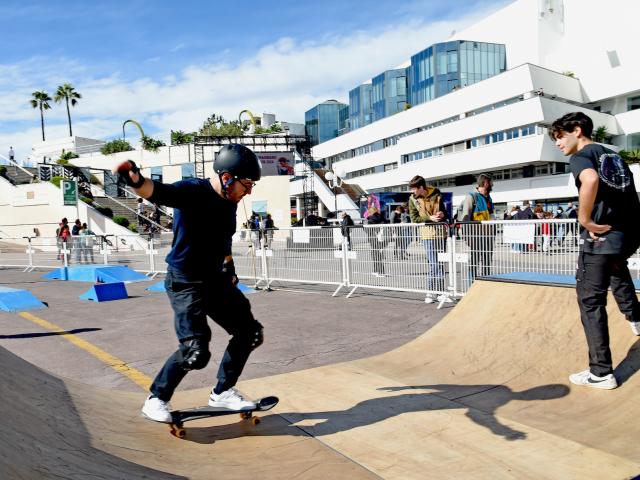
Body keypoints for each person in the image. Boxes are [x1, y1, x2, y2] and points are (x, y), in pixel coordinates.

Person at [113, 143, 265, 422]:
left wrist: (229, 266)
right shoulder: (193, 191)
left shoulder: (230, 203)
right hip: (185, 282)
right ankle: (156, 398)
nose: (249, 192)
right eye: (247, 184)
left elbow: (223, 240)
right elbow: (158, 192)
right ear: (228, 177)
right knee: (196, 350)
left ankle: (223, 392)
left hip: (216, 280)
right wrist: (134, 179)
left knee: (249, 332)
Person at [550, 111, 640, 390]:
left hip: (600, 237)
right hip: (627, 234)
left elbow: (589, 181)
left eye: (559, 137)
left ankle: (601, 372)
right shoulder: (612, 156)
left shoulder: (581, 156)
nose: (558, 144)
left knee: (590, 302)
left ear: (577, 130)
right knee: (616, 269)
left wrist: (585, 219)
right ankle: (636, 317)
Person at [408, 175, 449, 303]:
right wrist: (429, 218)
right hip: (427, 235)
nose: (412, 192)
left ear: (421, 187)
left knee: (440, 263)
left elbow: (444, 211)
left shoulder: (436, 193)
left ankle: (441, 292)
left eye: (414, 189)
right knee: (433, 264)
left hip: (441, 234)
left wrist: (442, 214)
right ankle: (431, 292)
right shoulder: (412, 199)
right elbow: (414, 219)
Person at [459, 173, 495, 280]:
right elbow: (465, 219)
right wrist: (467, 237)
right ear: (486, 183)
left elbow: (491, 216)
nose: (493, 185)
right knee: (474, 261)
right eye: (491, 183)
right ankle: (472, 285)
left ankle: (486, 283)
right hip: (475, 236)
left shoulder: (489, 198)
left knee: (487, 261)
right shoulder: (471, 197)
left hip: (488, 236)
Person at [365, 206, 386, 277]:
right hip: (381, 238)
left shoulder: (371, 219)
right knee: (379, 254)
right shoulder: (381, 217)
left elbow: (368, 230)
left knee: (375, 254)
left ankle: (379, 271)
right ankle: (378, 270)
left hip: (373, 238)